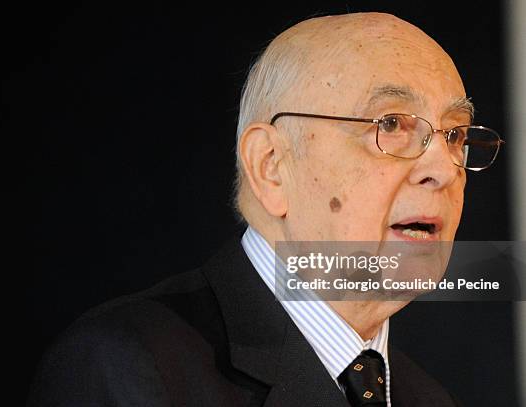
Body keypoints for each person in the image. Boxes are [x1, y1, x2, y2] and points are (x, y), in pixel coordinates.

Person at [27, 12, 504, 406]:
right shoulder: (128, 366)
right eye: (392, 124)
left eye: (455, 133)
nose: (443, 168)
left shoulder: (429, 399)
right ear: (272, 167)